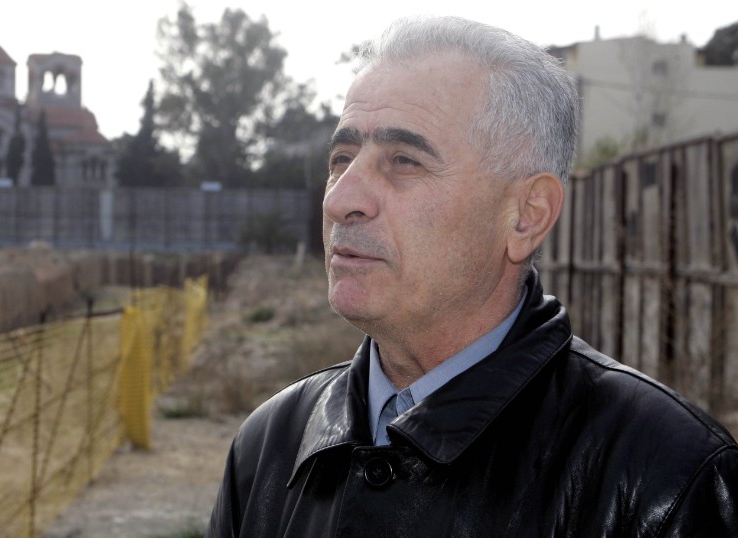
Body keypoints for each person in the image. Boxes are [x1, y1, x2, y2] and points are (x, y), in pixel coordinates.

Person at [207, 16, 738, 537]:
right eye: (342, 157)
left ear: (526, 215)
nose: (341, 199)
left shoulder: (668, 480)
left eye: (404, 160)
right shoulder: (269, 445)